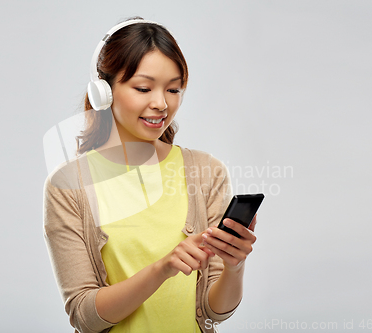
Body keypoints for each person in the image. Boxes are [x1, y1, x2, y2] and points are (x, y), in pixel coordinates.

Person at [43, 17, 257, 333]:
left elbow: (216, 312)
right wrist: (162, 269)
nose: (161, 104)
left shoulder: (206, 172)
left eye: (173, 89)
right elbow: (84, 316)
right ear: (104, 90)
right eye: (143, 88)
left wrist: (234, 266)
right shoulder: (68, 186)